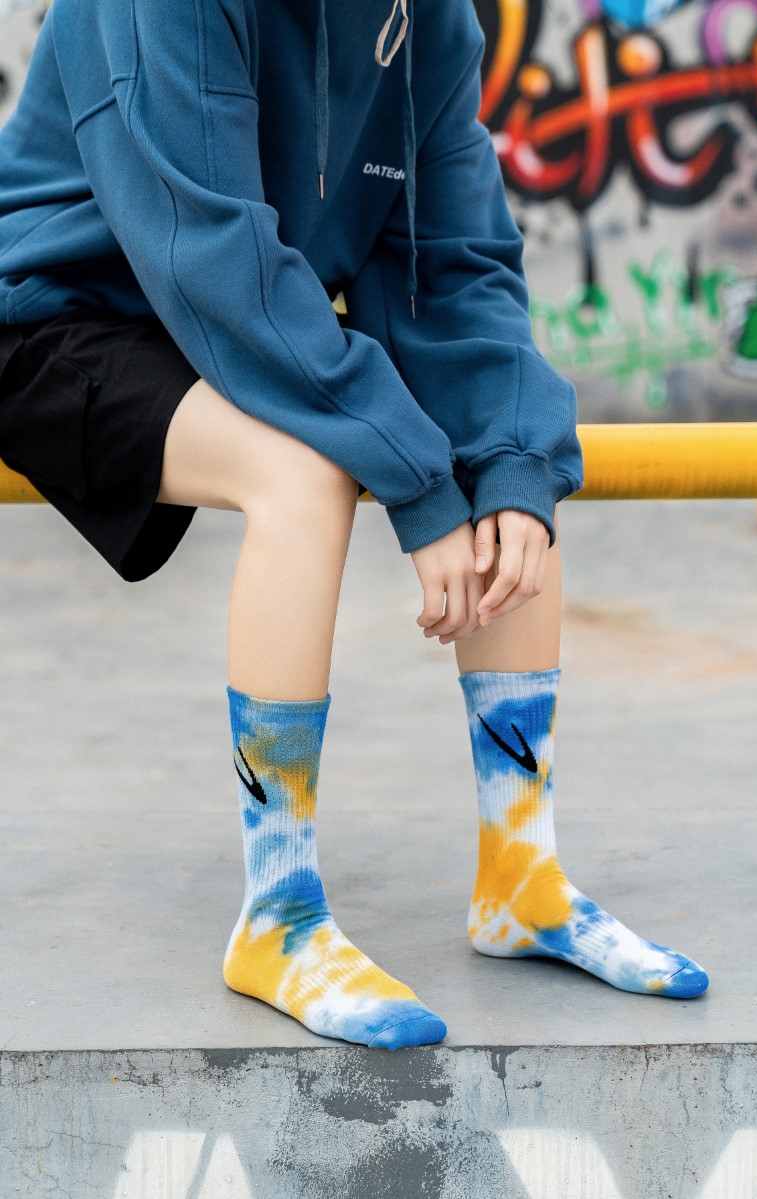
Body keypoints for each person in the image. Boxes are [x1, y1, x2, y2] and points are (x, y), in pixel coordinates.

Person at [0, 0, 708, 1052]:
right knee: (306, 473)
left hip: (240, 311)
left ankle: (521, 875)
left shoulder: (429, 19)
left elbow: (453, 268)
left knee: (503, 457)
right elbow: (209, 254)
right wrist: (414, 486)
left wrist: (508, 464)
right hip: (60, 311)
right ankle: (276, 914)